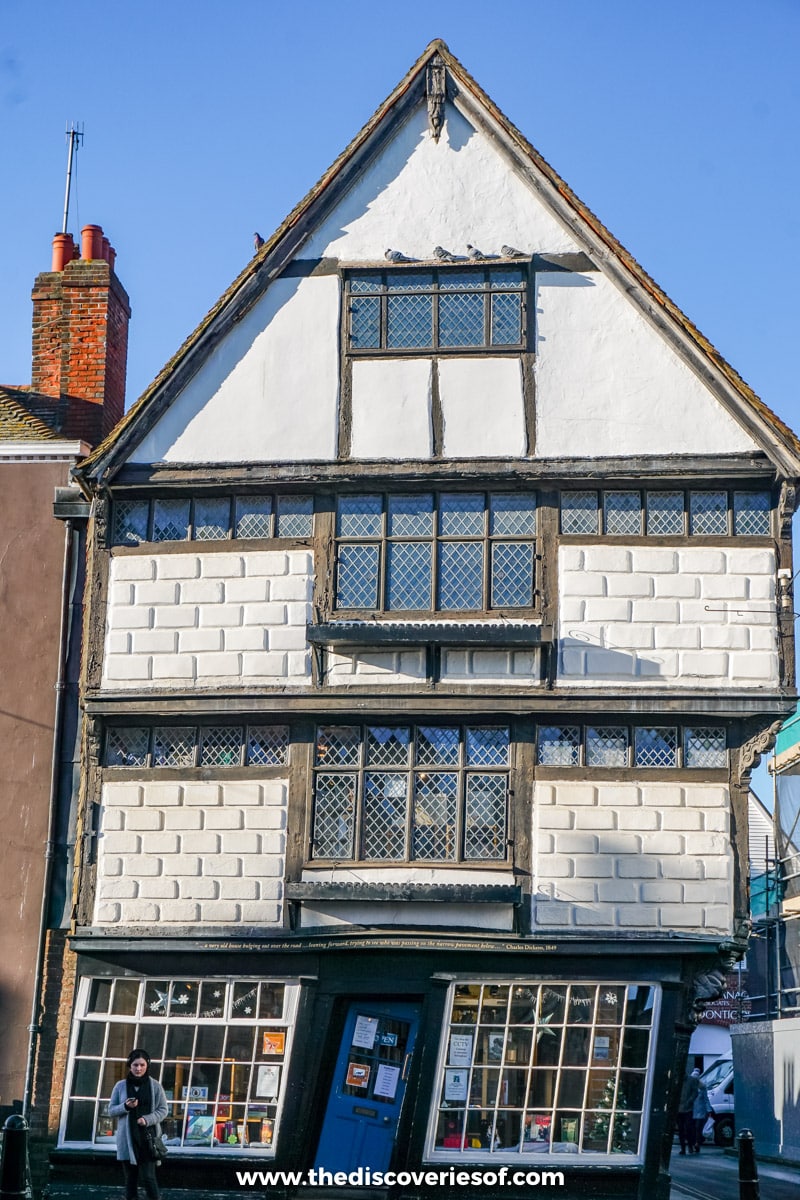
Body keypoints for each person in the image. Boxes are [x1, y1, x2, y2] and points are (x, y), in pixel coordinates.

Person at [108, 1049, 169, 1200]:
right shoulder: (120, 1086)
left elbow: (163, 1110)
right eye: (135, 1065)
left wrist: (147, 1119)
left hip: (148, 1139)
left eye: (142, 1065)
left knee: (149, 1177)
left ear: (147, 1065)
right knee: (130, 1180)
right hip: (127, 1139)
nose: (138, 1068)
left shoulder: (155, 1086)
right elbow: (111, 1110)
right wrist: (126, 1107)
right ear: (130, 1065)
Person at [676, 1068, 700, 1155]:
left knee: (688, 1128)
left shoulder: (691, 1080)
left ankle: (690, 1145)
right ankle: (683, 1148)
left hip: (688, 1109)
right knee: (681, 1129)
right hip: (679, 1109)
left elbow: (695, 1092)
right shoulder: (677, 1081)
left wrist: (690, 1101)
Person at [691, 1070, 713, 1153]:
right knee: (692, 1128)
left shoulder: (702, 1088)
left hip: (700, 1111)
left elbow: (706, 1100)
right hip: (692, 1111)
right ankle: (693, 1143)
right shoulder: (690, 1088)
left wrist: (709, 1110)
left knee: (698, 1128)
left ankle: (697, 1143)